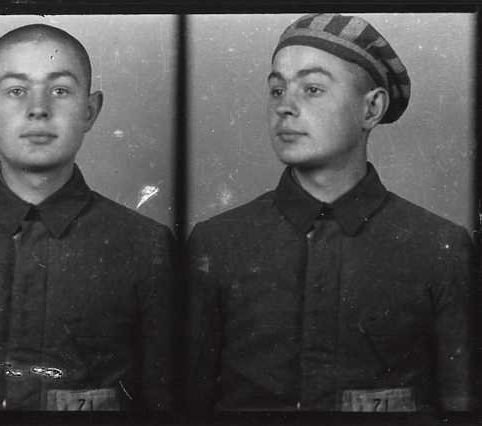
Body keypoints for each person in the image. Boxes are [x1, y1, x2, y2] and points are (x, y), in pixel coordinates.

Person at [183, 13, 479, 412]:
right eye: (276, 90)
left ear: (371, 108)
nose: (285, 107)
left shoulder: (440, 247)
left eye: (313, 89)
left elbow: (463, 407)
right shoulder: (217, 243)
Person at [0, 23, 177, 410]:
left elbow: (166, 402)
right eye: (16, 91)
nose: (38, 109)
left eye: (60, 90)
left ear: (90, 110)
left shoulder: (145, 244)